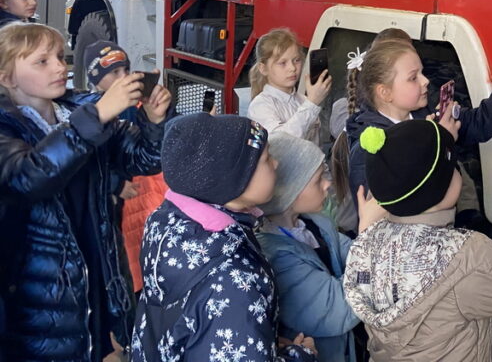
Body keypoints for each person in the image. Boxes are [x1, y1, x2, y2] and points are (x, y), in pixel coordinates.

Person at [0, 22, 168, 362]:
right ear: (7, 78)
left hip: (101, 269)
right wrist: (100, 113)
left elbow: (143, 160)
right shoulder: (7, 126)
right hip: (43, 290)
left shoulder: (80, 110)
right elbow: (30, 177)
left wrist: (153, 121)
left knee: (109, 347)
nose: (61, 67)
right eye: (42, 61)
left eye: (61, 57)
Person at [343, 120, 492, 361]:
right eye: (453, 167)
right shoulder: (465, 257)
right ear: (439, 188)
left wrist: (367, 229)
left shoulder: (366, 242)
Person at [130, 112, 317, 362]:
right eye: (266, 158)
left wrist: (260, 339)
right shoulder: (234, 278)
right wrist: (300, 356)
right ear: (234, 179)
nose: (276, 164)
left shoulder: (167, 222)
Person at [345, 35, 492, 211]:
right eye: (413, 78)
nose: (425, 81)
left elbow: (480, 122)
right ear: (385, 92)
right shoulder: (369, 149)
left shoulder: (426, 112)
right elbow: (400, 206)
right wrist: (442, 140)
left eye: (422, 72)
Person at [257, 134, 360, 362]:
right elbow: (339, 309)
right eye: (317, 180)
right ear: (288, 192)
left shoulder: (315, 223)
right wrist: (372, 230)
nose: (328, 183)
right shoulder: (275, 255)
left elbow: (353, 252)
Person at [81, 39, 171, 297]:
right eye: (114, 73)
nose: (124, 78)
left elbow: (153, 150)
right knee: (128, 260)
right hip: (120, 202)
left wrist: (158, 114)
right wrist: (115, 184)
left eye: (126, 70)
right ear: (96, 81)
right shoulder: (90, 115)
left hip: (148, 195)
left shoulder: (138, 105)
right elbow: (91, 161)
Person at [249, 27, 333, 142]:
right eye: (282, 63)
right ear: (263, 69)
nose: (292, 68)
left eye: (296, 60)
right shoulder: (260, 106)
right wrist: (312, 103)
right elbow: (281, 143)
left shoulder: (303, 100)